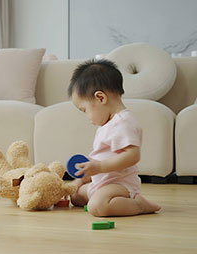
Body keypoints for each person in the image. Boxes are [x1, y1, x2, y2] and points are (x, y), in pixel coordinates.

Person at [68, 59, 161, 217]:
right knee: (75, 196)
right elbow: (99, 159)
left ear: (100, 98)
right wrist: (81, 180)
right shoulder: (106, 125)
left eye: (84, 110)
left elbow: (132, 155)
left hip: (120, 184)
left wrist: (99, 167)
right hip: (101, 183)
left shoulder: (123, 123)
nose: (87, 117)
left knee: (97, 207)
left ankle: (138, 204)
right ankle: (95, 196)